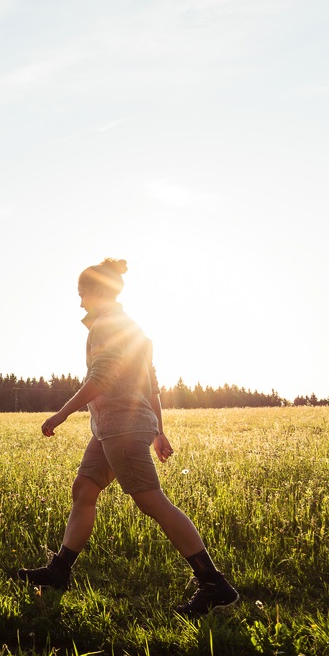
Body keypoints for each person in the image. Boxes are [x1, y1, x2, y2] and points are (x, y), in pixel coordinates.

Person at [15, 258, 239, 616]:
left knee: (152, 501)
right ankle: (59, 572)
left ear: (99, 292)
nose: (80, 302)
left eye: (82, 293)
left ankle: (213, 584)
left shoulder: (106, 326)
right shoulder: (133, 329)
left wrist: (62, 413)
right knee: (84, 489)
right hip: (114, 429)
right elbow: (151, 385)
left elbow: (101, 378)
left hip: (122, 426)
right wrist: (159, 430)